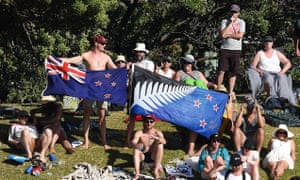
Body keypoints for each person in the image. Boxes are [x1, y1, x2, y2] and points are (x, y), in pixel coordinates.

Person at [60, 35, 117, 149]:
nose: (104, 45)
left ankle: (104, 142)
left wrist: (126, 67)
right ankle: (86, 141)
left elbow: (114, 69)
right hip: (90, 87)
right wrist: (58, 60)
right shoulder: (86, 55)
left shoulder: (106, 57)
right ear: (96, 43)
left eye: (105, 43)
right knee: (87, 113)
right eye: (102, 43)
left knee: (102, 114)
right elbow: (73, 61)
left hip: (102, 88)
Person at [174, 54, 217, 156]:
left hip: (204, 99)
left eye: (188, 62)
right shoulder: (179, 73)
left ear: (192, 64)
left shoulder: (198, 73)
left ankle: (213, 145)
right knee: (197, 118)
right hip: (190, 101)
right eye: (185, 62)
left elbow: (206, 83)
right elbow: (174, 87)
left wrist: (213, 85)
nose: (186, 64)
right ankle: (191, 149)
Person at [251, 35, 296, 105]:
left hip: (277, 72)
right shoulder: (260, 53)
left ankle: (283, 98)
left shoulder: (276, 53)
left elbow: (288, 63)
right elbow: (252, 66)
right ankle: (272, 98)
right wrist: (258, 70)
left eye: (270, 41)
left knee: (282, 77)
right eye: (266, 41)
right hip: (265, 73)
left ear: (272, 43)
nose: (268, 43)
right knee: (269, 78)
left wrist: (282, 71)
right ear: (264, 43)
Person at [126, 42, 155, 148]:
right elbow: (129, 80)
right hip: (133, 93)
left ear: (144, 53)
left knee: (147, 117)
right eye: (137, 52)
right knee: (132, 117)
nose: (139, 54)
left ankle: (148, 140)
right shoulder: (133, 65)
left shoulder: (149, 63)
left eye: (141, 52)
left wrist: (133, 67)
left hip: (145, 93)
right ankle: (128, 140)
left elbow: (149, 75)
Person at [30, 95, 74, 162]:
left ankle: (68, 148)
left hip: (55, 126)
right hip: (48, 127)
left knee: (62, 136)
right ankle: (52, 146)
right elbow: (32, 111)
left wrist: (45, 122)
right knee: (58, 129)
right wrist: (35, 119)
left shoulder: (58, 107)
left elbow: (57, 118)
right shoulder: (45, 108)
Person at [217, 4, 246, 100]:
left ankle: (230, 92)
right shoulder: (224, 21)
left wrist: (229, 34)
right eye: (232, 12)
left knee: (233, 72)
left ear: (239, 13)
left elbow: (240, 36)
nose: (233, 14)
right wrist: (230, 24)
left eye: (235, 12)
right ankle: (218, 89)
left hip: (236, 50)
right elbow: (222, 35)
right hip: (225, 48)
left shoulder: (241, 22)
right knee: (222, 70)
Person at [131, 114, 166, 180]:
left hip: (153, 155)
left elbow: (164, 141)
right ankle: (137, 173)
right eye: (147, 121)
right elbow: (134, 141)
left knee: (160, 145)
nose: (149, 123)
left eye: (151, 121)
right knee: (136, 149)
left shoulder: (157, 132)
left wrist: (156, 138)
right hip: (143, 156)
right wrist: (137, 145)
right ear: (143, 122)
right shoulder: (140, 133)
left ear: (154, 122)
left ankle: (155, 171)